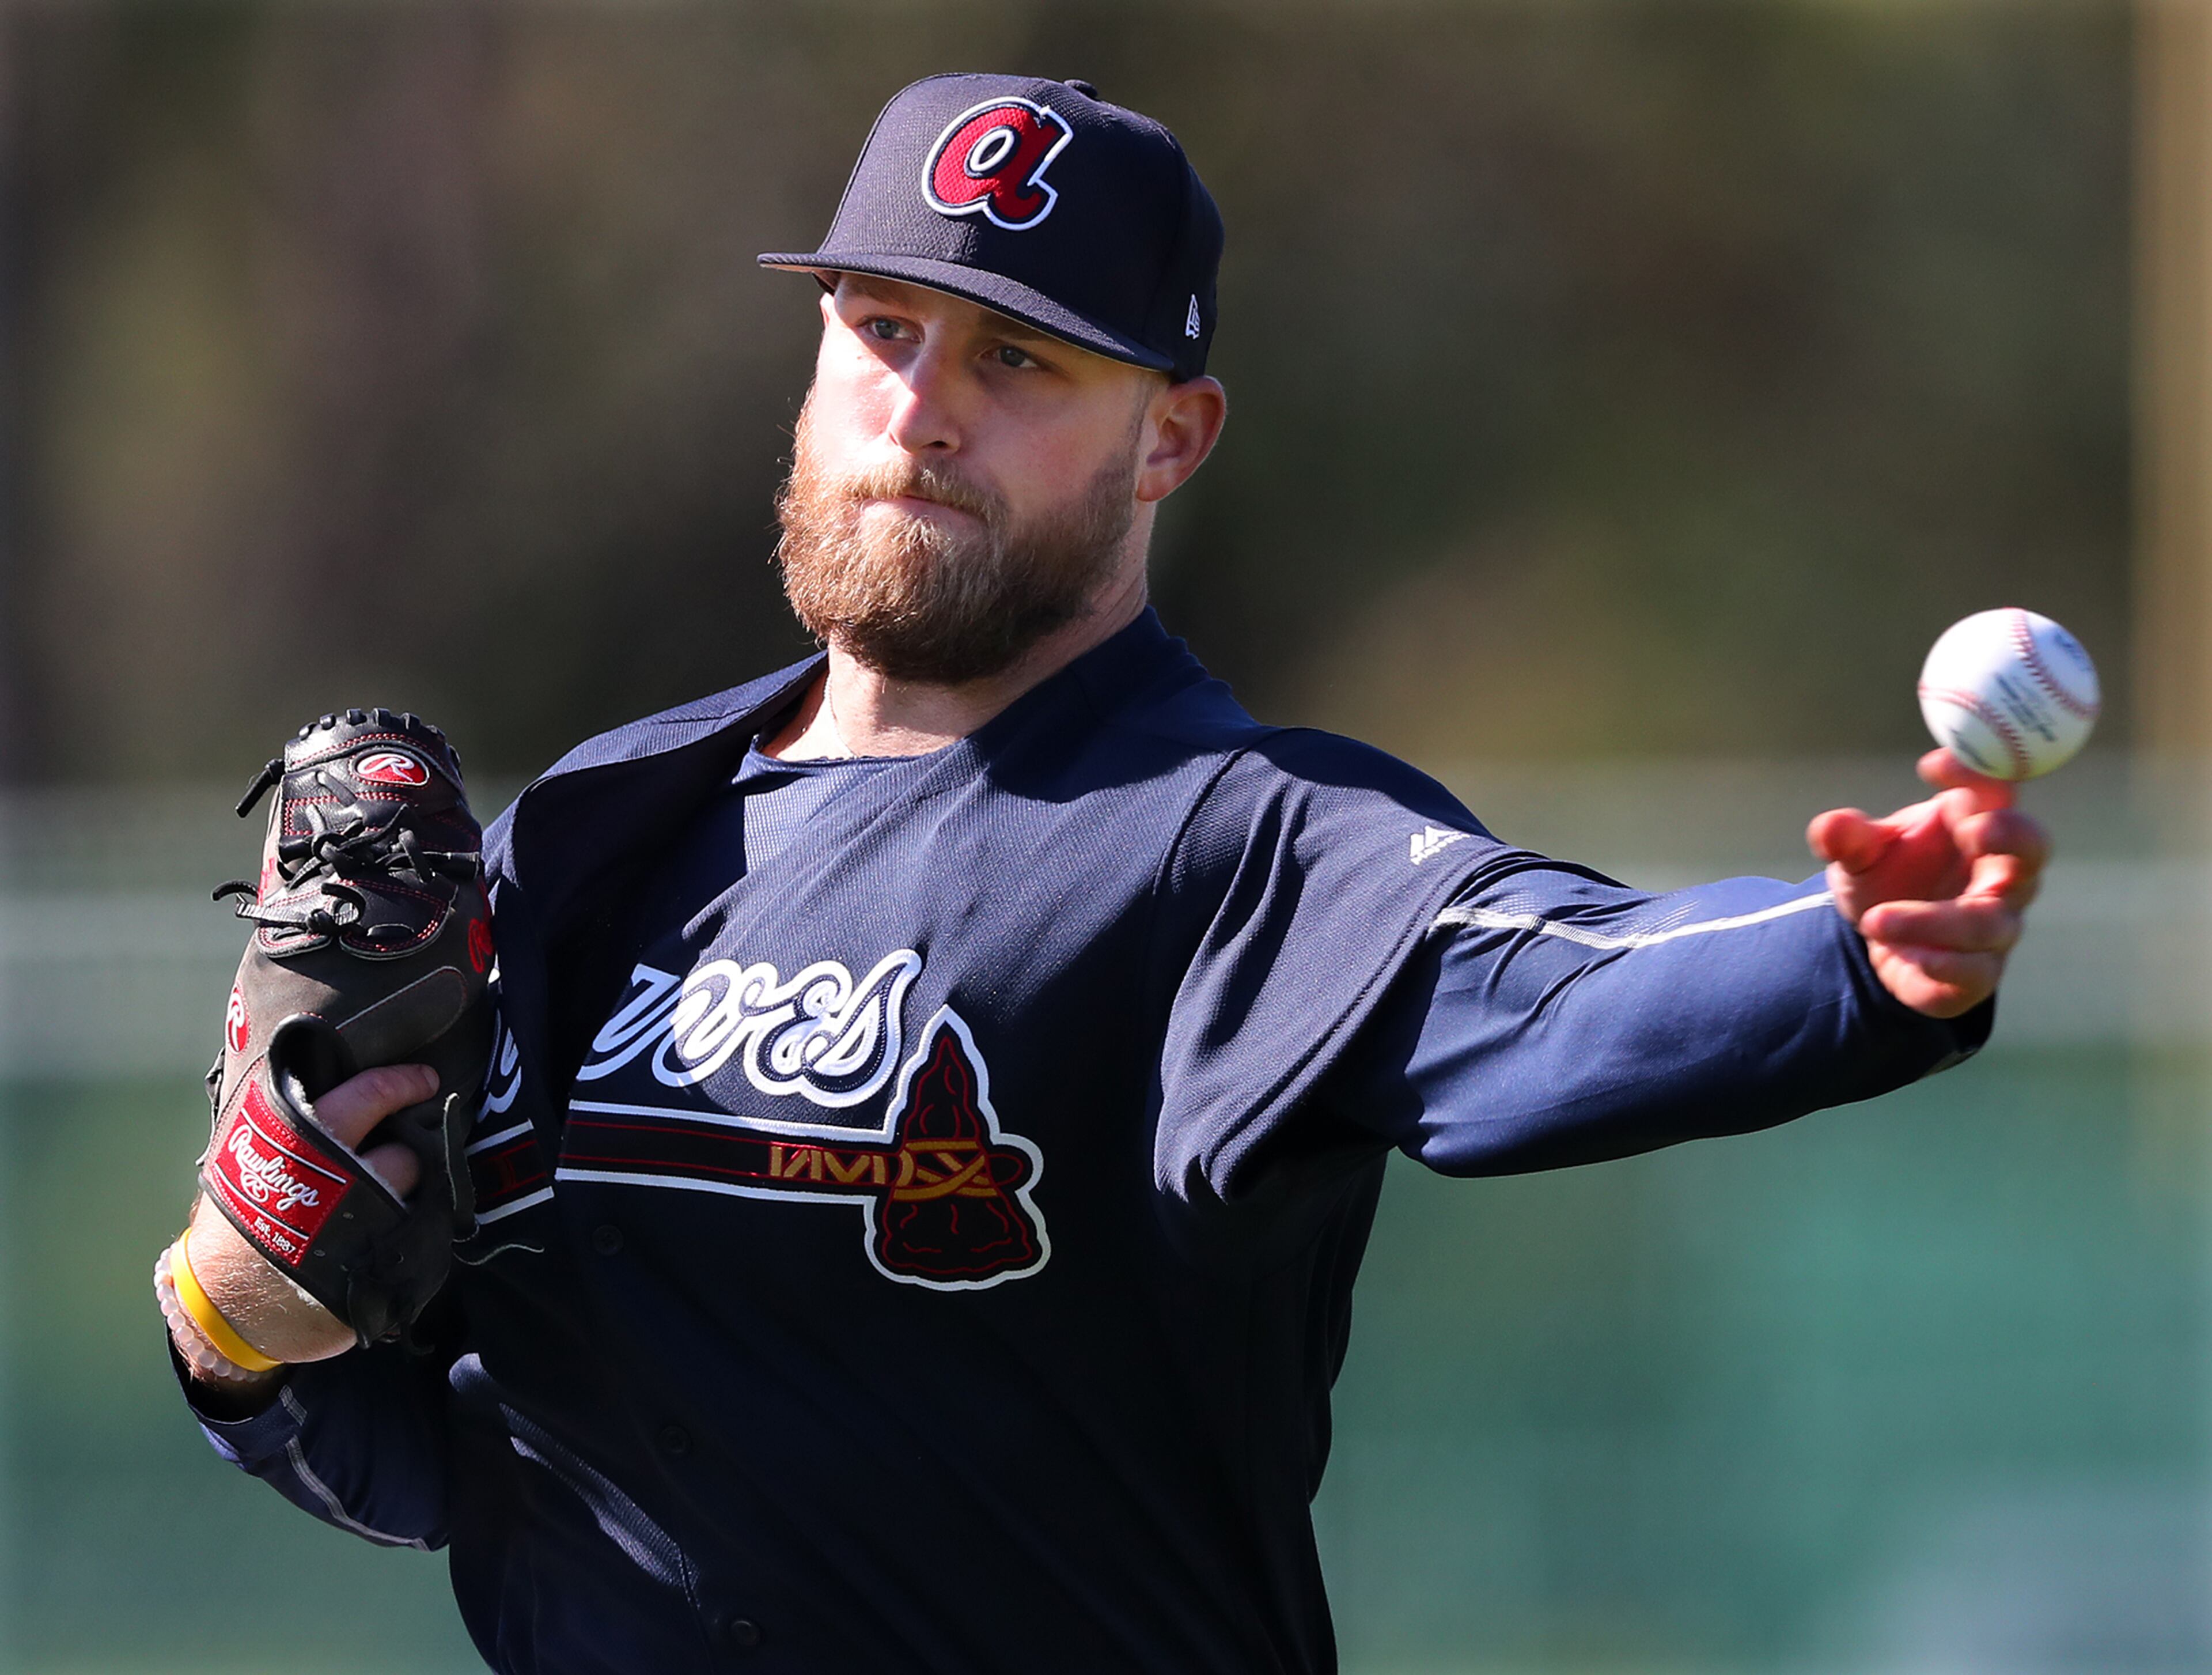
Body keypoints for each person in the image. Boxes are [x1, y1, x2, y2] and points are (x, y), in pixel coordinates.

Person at [160, 73, 2047, 1674]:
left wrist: (1856, 956)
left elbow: (1563, 982)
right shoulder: (590, 840)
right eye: (882, 329)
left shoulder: (1227, 851)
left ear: (1171, 437)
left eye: (1020, 358)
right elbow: (457, 1474)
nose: (923, 406)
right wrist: (240, 1322)